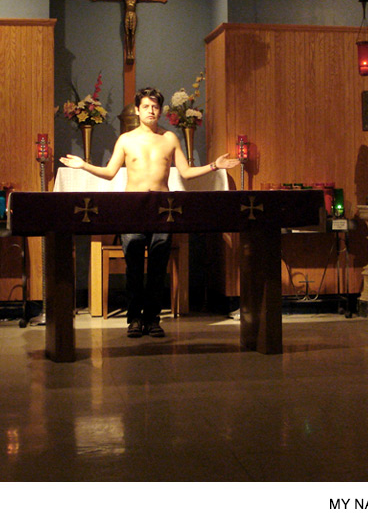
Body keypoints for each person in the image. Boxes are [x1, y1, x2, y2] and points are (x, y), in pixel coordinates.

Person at [60, 87, 239, 338]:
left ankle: (153, 319)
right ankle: (134, 319)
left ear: (160, 110)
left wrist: (214, 165)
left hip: (162, 209)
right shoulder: (126, 140)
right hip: (132, 208)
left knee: (157, 266)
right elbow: (110, 173)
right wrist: (83, 165)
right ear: (137, 110)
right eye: (146, 106)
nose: (151, 111)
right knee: (134, 266)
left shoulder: (169, 138)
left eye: (155, 106)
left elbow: (186, 173)